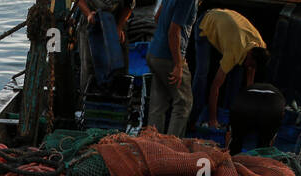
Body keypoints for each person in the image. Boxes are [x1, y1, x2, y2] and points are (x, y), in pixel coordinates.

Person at [193, 8, 268, 130]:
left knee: (237, 80)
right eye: (250, 64)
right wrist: (213, 121)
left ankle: (228, 117)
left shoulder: (260, 46)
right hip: (206, 23)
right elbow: (215, 87)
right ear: (249, 55)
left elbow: (249, 83)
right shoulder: (233, 51)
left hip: (227, 24)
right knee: (202, 73)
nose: (250, 68)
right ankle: (194, 116)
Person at [147, 0, 199, 136]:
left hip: (154, 53)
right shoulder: (189, 2)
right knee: (183, 103)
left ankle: (152, 144)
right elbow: (174, 31)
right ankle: (172, 148)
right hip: (167, 57)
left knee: (158, 104)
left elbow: (157, 16)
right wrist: (178, 63)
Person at [75, 0, 135, 96]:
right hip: (91, 23)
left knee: (119, 69)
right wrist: (88, 14)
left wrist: (119, 27)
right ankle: (88, 103)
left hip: (115, 22)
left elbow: (129, 5)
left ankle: (117, 102)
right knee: (90, 69)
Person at [227, 82, 285, 154]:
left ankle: (232, 154)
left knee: (235, 142)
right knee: (264, 147)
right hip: (272, 106)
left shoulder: (244, 93)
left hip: (245, 104)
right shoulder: (278, 97)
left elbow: (230, 133)